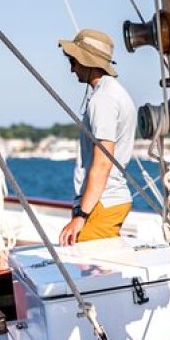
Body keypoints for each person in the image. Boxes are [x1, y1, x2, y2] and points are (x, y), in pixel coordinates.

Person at [57, 29, 136, 246]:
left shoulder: (104, 100)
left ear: (88, 61)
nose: (72, 68)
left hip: (101, 203)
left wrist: (81, 216)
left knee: (88, 272)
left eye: (74, 60)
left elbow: (103, 163)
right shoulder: (115, 93)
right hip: (105, 201)